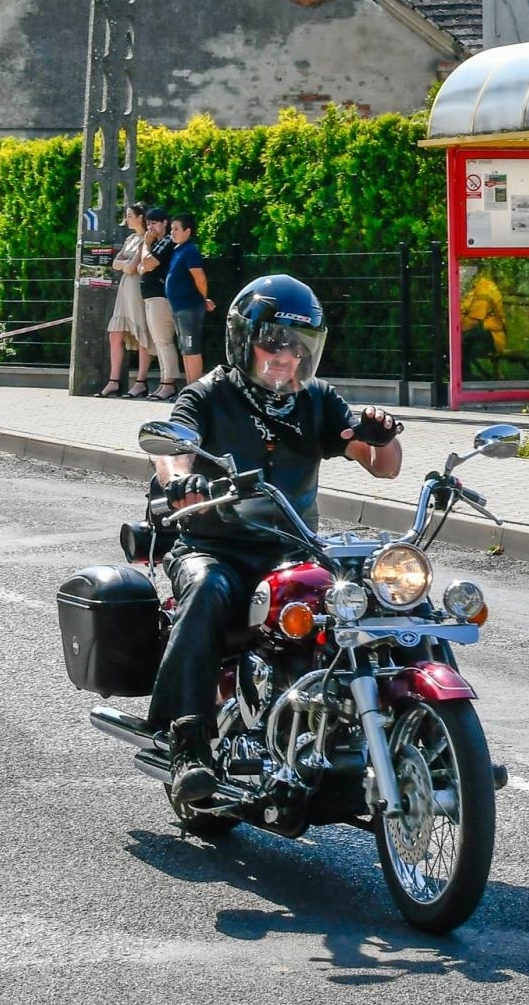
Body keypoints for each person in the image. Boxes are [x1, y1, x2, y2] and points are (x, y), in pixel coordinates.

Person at [149, 273, 403, 808]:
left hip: (289, 552)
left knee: (365, 601)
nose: (286, 357)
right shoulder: (208, 395)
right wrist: (181, 482)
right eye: (274, 343)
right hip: (214, 547)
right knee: (206, 590)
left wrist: (381, 436)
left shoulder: (317, 402)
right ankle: (186, 745)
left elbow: (382, 468)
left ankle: (401, 732)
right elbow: (172, 448)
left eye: (299, 346)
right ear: (244, 340)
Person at [96, 203, 149, 397]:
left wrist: (124, 264)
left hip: (137, 289)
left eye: (129, 215)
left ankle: (141, 381)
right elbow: (115, 263)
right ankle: (114, 381)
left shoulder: (146, 239)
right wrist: (124, 264)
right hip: (125, 289)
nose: (126, 219)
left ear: (140, 217)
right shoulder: (130, 239)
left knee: (142, 333)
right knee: (115, 334)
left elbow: (130, 267)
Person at [164, 212, 215, 386]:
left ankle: (195, 389)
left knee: (191, 346)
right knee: (185, 348)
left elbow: (199, 278)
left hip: (189, 307)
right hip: (179, 307)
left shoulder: (190, 250)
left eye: (176, 229)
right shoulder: (178, 250)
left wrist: (203, 299)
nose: (172, 232)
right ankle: (189, 386)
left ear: (188, 231)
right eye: (172, 229)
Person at [136, 207, 180, 401]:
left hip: (160, 297)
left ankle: (168, 384)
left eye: (154, 223)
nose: (150, 227)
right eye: (148, 223)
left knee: (164, 341)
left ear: (165, 223)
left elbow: (147, 264)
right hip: (150, 297)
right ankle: (164, 381)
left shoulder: (166, 241)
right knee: (159, 341)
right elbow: (140, 267)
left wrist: (146, 245)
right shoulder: (157, 243)